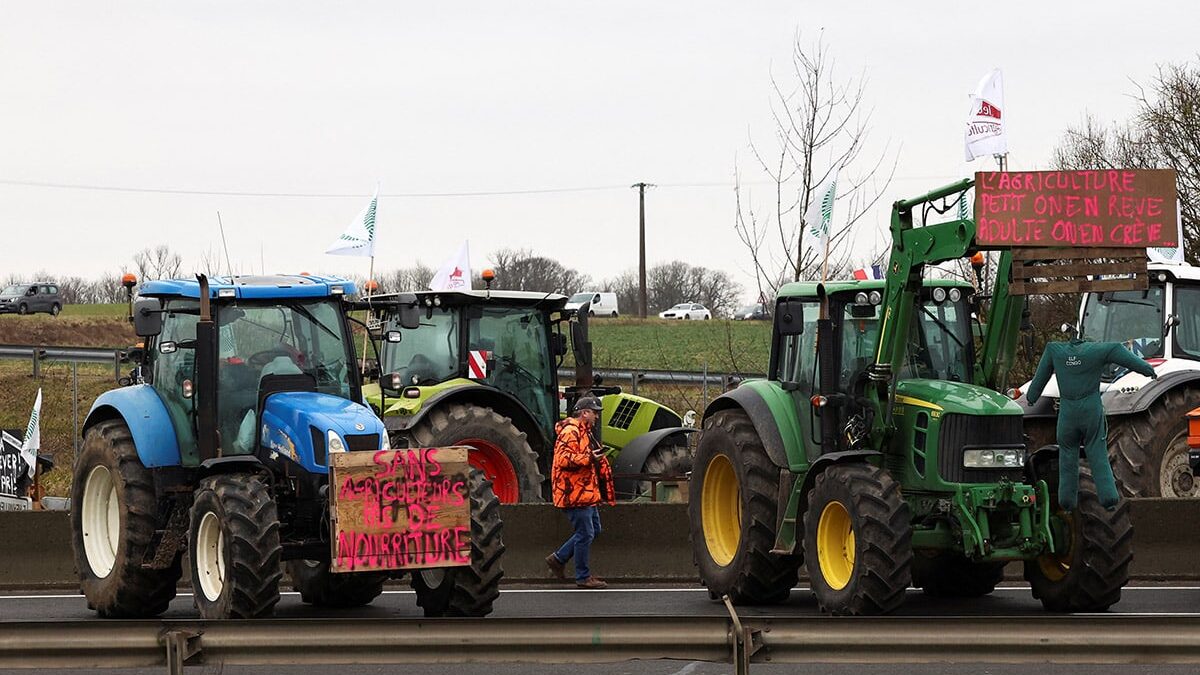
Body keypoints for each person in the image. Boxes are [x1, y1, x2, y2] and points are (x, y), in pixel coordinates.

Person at [1026, 337, 1158, 511]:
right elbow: (1121, 353)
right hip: (1090, 411)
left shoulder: (1054, 351)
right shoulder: (1098, 350)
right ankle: (1109, 501)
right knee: (1098, 456)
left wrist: (1031, 398)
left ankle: (1067, 503)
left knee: (1066, 458)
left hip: (1067, 415)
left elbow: (1039, 379)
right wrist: (1148, 370)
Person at [545, 395, 614, 589]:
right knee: (585, 533)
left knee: (594, 530)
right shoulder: (571, 432)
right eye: (594, 413)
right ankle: (583, 577)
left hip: (584, 491)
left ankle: (558, 559)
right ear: (584, 413)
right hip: (573, 492)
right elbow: (564, 460)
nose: (597, 417)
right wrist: (589, 458)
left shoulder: (585, 432)